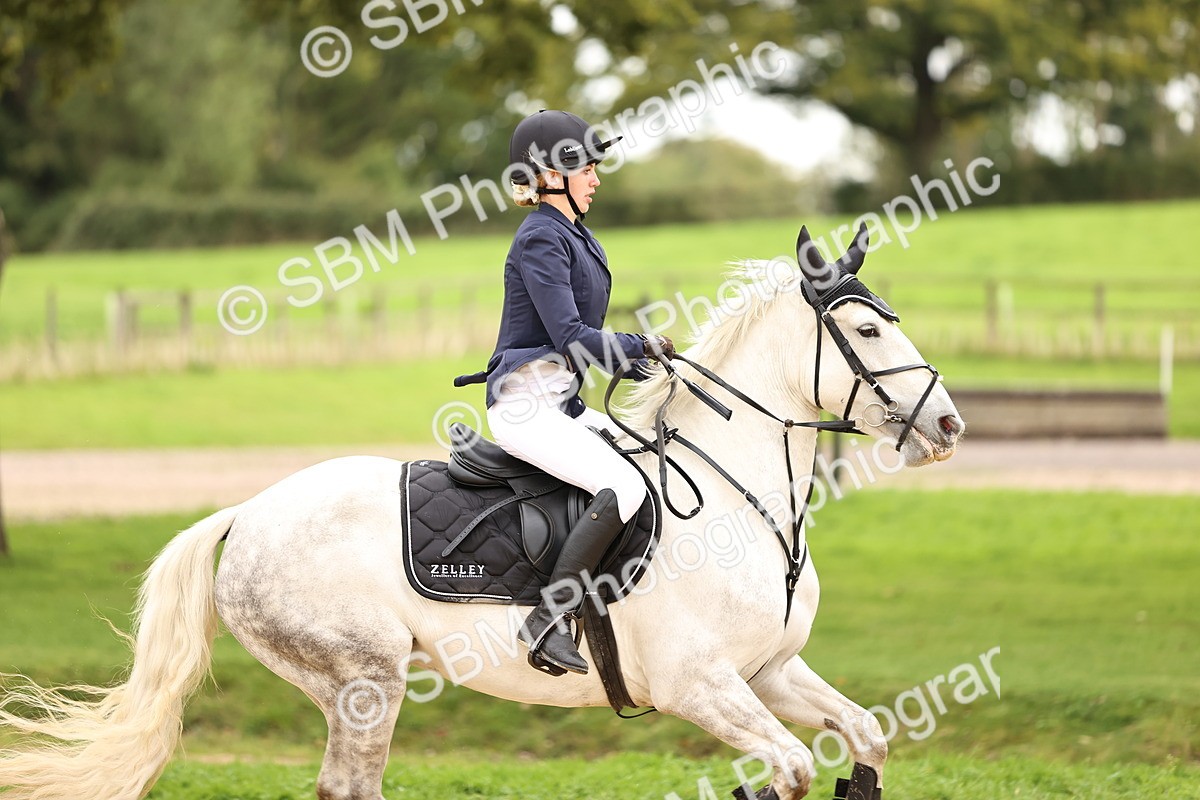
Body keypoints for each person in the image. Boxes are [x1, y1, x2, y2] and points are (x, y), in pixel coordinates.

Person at [454, 110, 674, 676]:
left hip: (561, 405)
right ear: (555, 171)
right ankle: (546, 620)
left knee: (648, 460)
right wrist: (640, 345)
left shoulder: (575, 234)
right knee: (622, 485)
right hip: (526, 410)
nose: (598, 177)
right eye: (589, 166)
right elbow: (573, 338)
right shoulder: (539, 239)